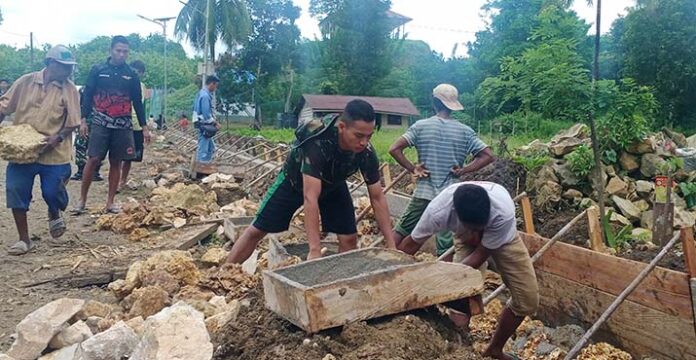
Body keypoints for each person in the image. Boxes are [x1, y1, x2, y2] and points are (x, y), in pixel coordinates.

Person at [226, 99, 396, 263]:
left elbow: (377, 197)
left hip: (333, 185)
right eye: (359, 136)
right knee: (257, 230)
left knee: (349, 238)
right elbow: (310, 197)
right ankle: (223, 273)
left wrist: (392, 246)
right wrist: (314, 250)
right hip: (294, 182)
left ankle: (337, 285)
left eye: (369, 136)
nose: (364, 142)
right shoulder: (318, 141)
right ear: (342, 127)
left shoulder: (366, 152)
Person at [398, 182, 539, 360]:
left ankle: (494, 350)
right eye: (473, 228)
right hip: (464, 237)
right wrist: (396, 277)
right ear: (456, 214)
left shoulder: (502, 212)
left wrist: (439, 282)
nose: (476, 235)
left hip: (504, 239)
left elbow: (480, 255)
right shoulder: (438, 211)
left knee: (528, 300)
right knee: (460, 302)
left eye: (479, 228)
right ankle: (461, 352)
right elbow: (411, 243)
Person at [389, 84, 494, 258]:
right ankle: (443, 273)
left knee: (402, 229)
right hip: (449, 195)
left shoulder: (421, 126)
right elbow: (488, 155)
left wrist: (413, 168)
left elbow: (394, 149)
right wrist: (463, 170)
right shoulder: (465, 131)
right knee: (445, 241)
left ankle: (386, 262)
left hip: (424, 192)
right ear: (453, 105)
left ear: (434, 102)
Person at [0, 45, 81, 255]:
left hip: (54, 151)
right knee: (16, 189)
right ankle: (24, 239)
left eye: (70, 67)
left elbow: (73, 122)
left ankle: (54, 211)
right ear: (50, 63)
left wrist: (58, 137)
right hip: (23, 149)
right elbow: (4, 106)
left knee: (52, 192)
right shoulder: (26, 82)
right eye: (64, 67)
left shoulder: (69, 89)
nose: (68, 71)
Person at [73, 35, 150, 214]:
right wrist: (83, 120)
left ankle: (110, 202)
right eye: (118, 50)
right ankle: (82, 199)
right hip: (100, 122)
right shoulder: (98, 70)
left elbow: (137, 103)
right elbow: (88, 95)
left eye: (125, 51)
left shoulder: (131, 75)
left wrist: (144, 127)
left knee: (116, 161)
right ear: (111, 51)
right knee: (93, 159)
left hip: (123, 124)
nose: (122, 54)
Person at [119, 60, 147, 189]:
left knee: (130, 156)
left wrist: (144, 126)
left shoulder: (142, 86)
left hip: (136, 125)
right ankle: (116, 180)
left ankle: (122, 181)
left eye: (138, 72)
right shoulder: (122, 83)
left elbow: (141, 106)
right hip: (124, 123)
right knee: (118, 154)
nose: (136, 74)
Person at [71, 87, 104, 182]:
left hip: (99, 123)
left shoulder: (103, 89)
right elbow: (78, 106)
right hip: (85, 122)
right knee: (80, 144)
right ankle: (81, 171)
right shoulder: (83, 90)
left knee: (98, 147)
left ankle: (95, 171)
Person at [193, 75, 220, 163]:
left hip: (201, 123)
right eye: (216, 85)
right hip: (204, 124)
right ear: (212, 84)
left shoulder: (201, 93)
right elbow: (206, 114)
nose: (216, 88)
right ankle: (201, 165)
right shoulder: (205, 96)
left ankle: (205, 164)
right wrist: (215, 123)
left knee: (211, 148)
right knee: (204, 147)